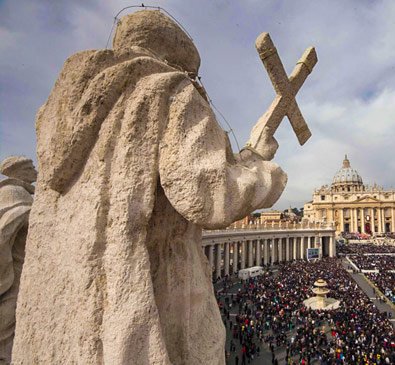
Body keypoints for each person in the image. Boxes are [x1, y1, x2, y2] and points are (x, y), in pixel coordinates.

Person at [13, 10, 286, 365]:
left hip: (65, 306)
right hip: (153, 283)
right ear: (177, 60)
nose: (195, 82)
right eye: (193, 73)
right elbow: (210, 195)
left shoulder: (56, 113)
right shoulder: (169, 89)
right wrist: (264, 168)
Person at [0, 157, 36, 364]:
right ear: (18, 171)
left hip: (22, 272)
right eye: (30, 168)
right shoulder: (13, 192)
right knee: (7, 325)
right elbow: (6, 228)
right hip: (14, 274)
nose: (35, 171)